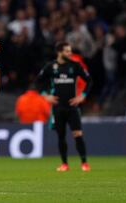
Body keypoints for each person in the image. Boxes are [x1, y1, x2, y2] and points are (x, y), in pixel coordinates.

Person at [36, 42, 92, 172]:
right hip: (58, 108)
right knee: (61, 136)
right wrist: (46, 95)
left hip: (72, 107)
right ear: (59, 52)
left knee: (78, 134)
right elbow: (38, 81)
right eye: (67, 51)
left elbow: (89, 80)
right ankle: (64, 164)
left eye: (70, 51)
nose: (70, 53)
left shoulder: (75, 66)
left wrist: (82, 96)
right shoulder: (51, 67)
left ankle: (84, 163)